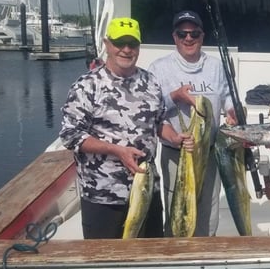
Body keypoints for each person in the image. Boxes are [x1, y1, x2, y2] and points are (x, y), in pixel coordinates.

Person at [59, 17, 184, 239]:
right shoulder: (87, 85)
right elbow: (71, 136)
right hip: (103, 195)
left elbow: (159, 121)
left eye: (132, 44)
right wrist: (117, 151)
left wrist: (174, 138)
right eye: (120, 43)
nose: (126, 50)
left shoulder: (151, 82)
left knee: (150, 260)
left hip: (146, 191)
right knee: (104, 261)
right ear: (107, 44)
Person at [148, 10, 236, 237]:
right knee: (179, 214)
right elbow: (148, 111)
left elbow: (226, 96)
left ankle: (205, 255)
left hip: (209, 153)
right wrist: (174, 97)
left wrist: (232, 110)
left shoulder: (216, 66)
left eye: (194, 33)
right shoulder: (158, 68)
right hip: (176, 154)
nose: (189, 38)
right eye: (182, 33)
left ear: (202, 36)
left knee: (208, 212)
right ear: (174, 37)